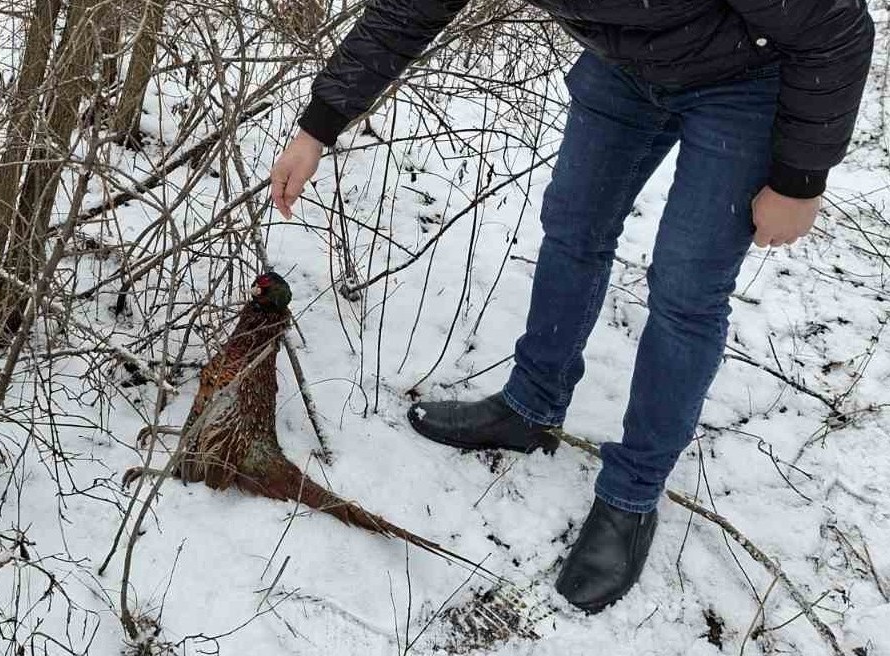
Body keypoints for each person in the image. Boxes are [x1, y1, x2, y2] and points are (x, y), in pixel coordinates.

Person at [269, 0, 874, 613]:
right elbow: (406, 13)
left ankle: (632, 496)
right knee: (572, 230)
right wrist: (319, 127)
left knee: (686, 290)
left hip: (743, 79)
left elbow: (837, 28)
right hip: (623, 68)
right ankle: (529, 407)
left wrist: (800, 178)